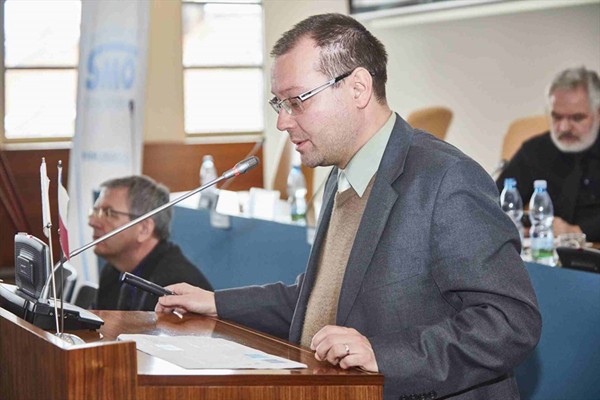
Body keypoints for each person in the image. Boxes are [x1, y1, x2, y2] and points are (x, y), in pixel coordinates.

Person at [157, 13, 541, 400]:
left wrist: (384, 356)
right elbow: (320, 299)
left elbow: (510, 321)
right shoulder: (340, 175)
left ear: (358, 88)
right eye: (279, 104)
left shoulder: (445, 178)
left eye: (296, 101)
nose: (282, 122)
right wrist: (216, 303)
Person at [497, 67, 600, 242]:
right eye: (557, 117)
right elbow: (495, 203)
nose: (564, 127)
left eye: (577, 118)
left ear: (598, 113)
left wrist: (577, 231)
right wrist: (516, 227)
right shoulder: (535, 150)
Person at [89, 175, 212, 311]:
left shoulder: (175, 283)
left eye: (108, 213)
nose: (92, 222)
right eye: (95, 211)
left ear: (144, 229)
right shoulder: (112, 270)